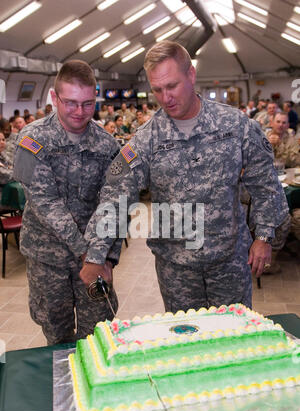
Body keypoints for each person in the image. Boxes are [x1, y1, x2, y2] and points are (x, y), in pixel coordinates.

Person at [79, 41, 288, 312]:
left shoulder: (235, 126)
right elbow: (115, 195)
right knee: (186, 345)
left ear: (191, 75)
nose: (166, 97)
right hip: (176, 270)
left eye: (172, 85)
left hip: (229, 262)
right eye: (157, 90)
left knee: (232, 343)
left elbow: (266, 184)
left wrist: (264, 237)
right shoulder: (147, 139)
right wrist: (96, 254)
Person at [13, 60, 122, 345]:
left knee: (98, 331)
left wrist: (107, 257)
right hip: (48, 259)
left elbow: (117, 204)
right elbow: (45, 204)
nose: (79, 112)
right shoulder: (31, 141)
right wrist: (87, 254)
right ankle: (62, 389)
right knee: (57, 334)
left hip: (95, 258)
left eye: (87, 103)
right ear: (54, 97)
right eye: (71, 102)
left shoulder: (108, 146)